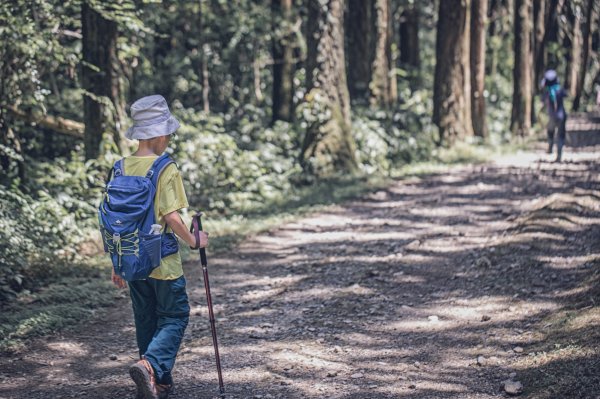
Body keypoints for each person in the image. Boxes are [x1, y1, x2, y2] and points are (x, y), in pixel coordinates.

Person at [110, 95, 209, 399]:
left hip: (132, 259)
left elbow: (116, 220)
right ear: (160, 134)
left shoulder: (119, 167)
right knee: (175, 315)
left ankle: (158, 382)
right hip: (162, 260)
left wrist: (117, 263)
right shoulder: (166, 168)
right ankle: (151, 366)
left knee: (146, 318)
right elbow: (171, 216)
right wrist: (194, 240)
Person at [540, 69, 568, 162]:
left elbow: (542, 102)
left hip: (551, 116)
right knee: (561, 135)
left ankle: (550, 147)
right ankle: (559, 155)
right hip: (561, 116)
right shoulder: (559, 89)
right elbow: (566, 94)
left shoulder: (547, 92)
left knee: (550, 132)